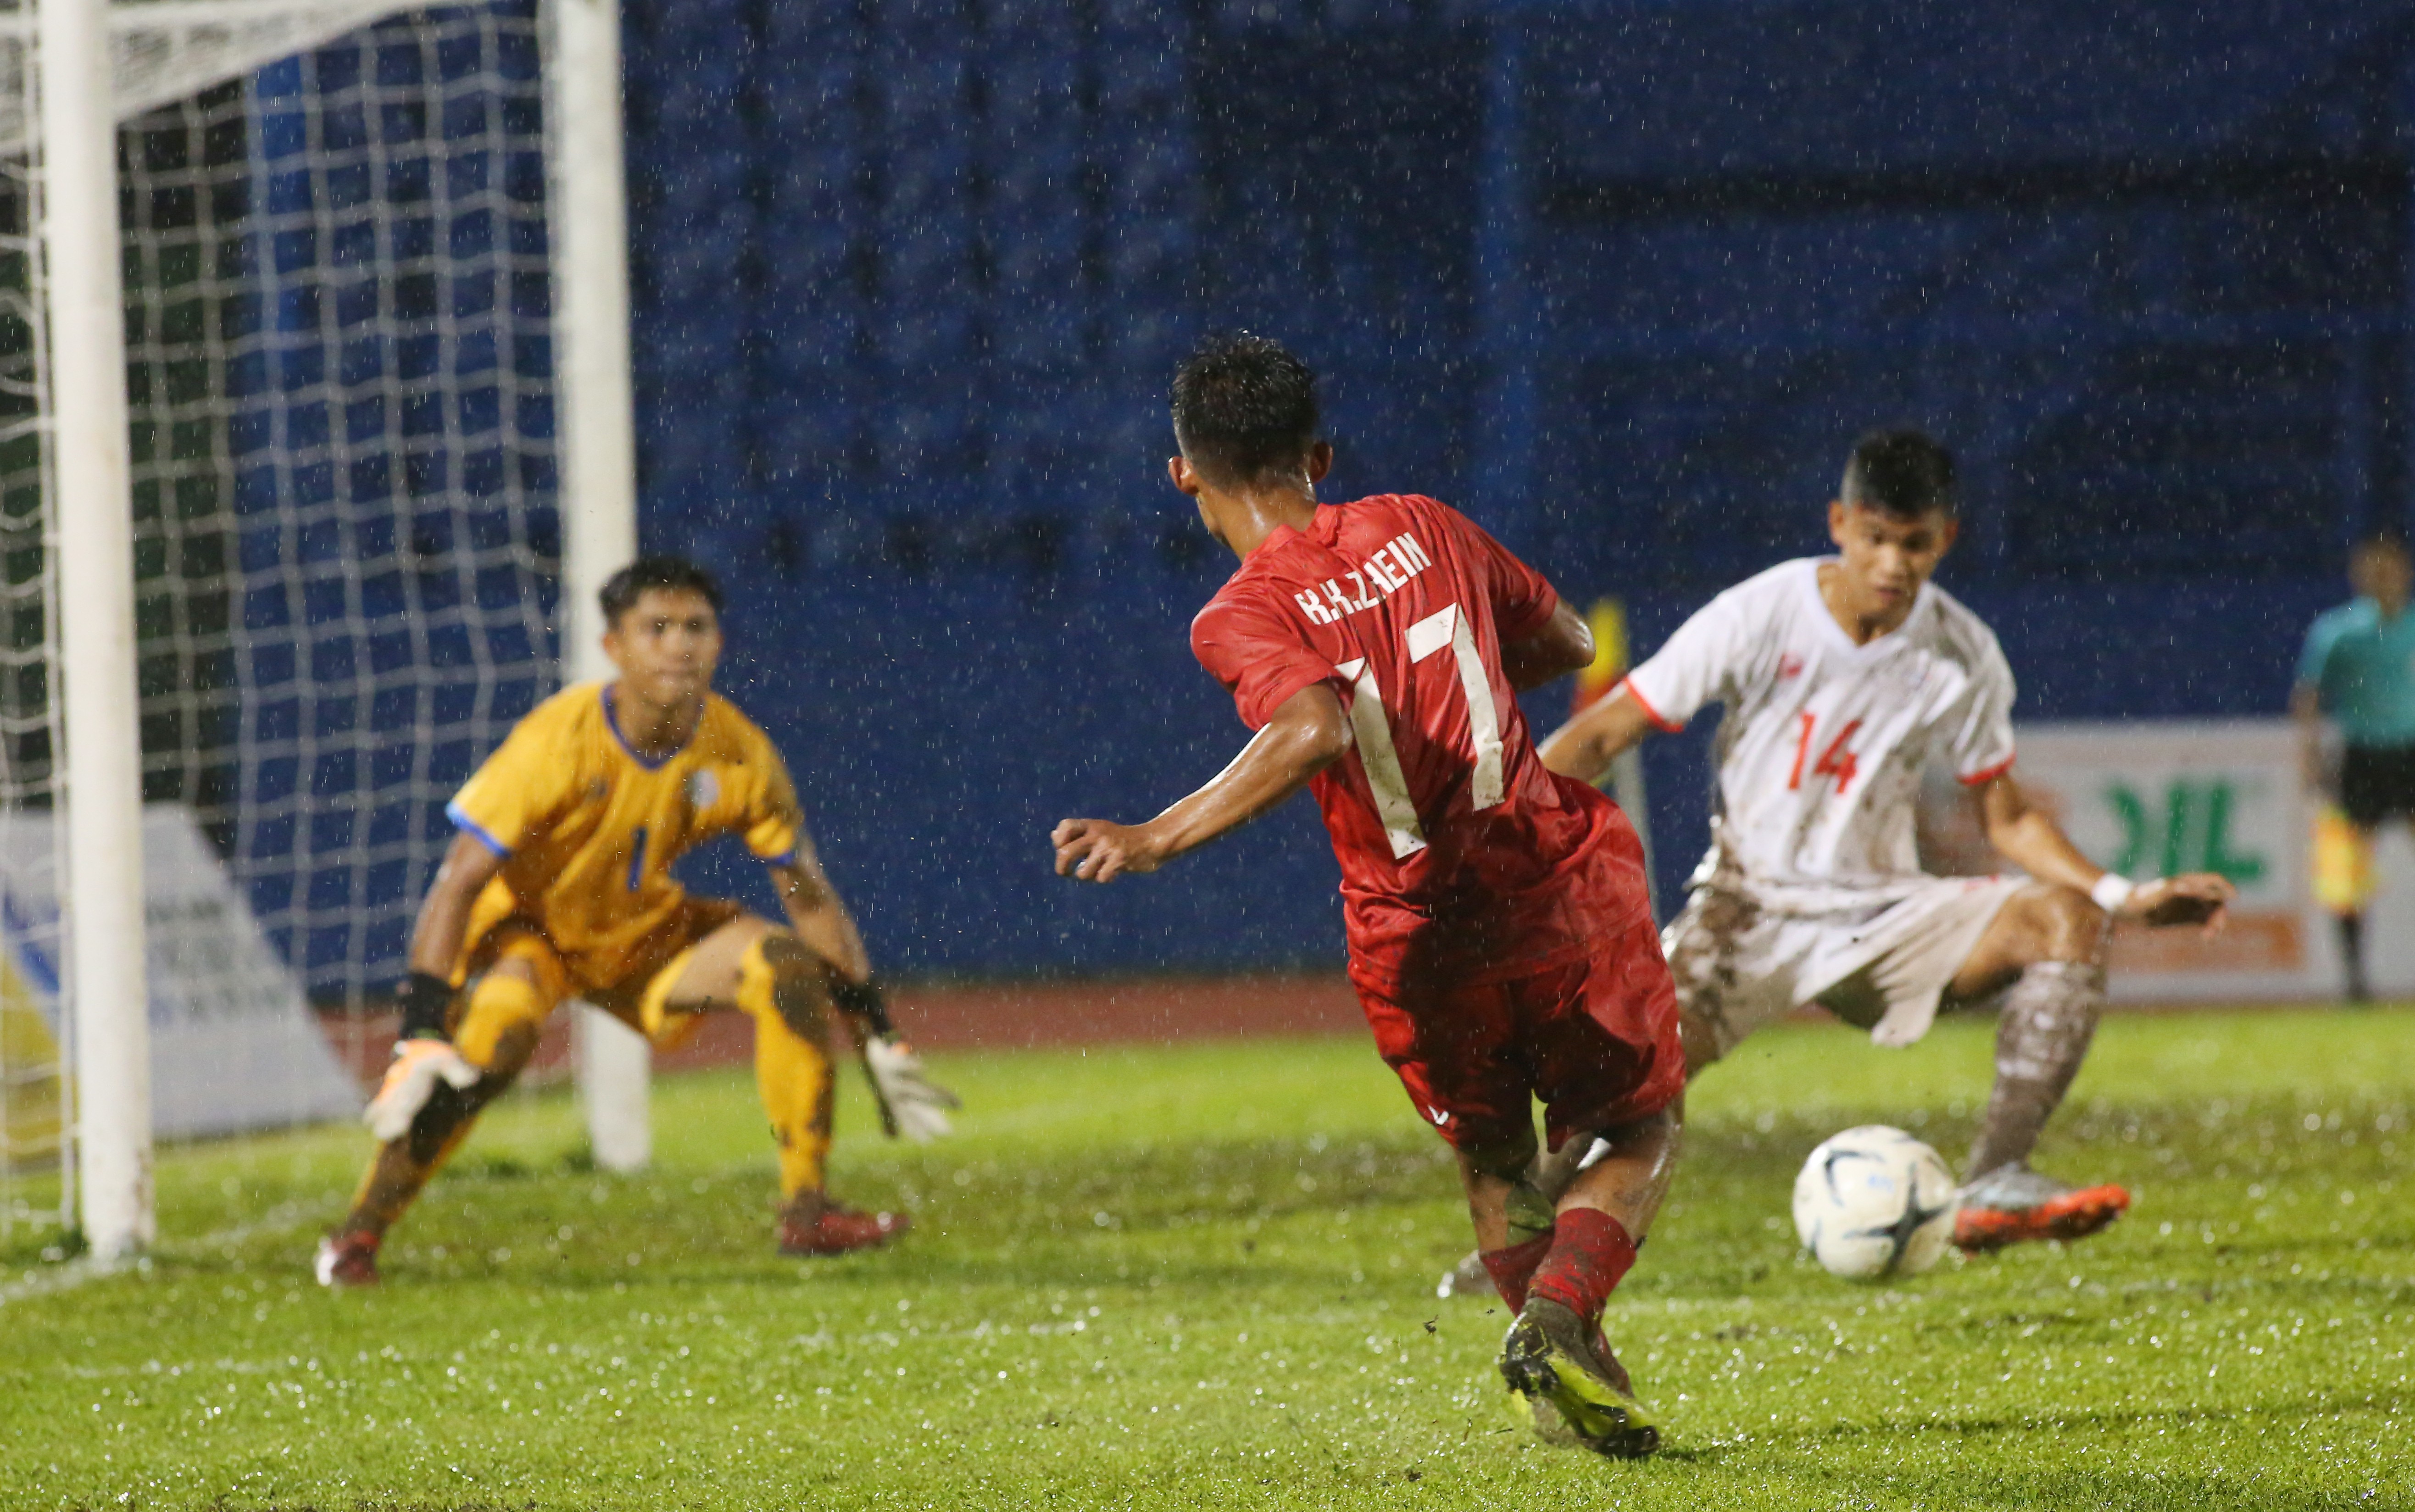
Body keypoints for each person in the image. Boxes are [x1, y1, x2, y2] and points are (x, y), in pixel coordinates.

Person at [1052, 334, 1682, 1458]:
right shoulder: (1425, 523)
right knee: (1637, 1119)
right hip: (1544, 885)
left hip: (1415, 934)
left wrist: (1157, 833)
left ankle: (1563, 1385)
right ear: (1320, 453)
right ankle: (1560, 1313)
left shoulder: (1237, 614)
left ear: (1182, 472)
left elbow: (1311, 722)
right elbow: (1566, 641)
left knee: (1492, 1158)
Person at [1506, 428, 2234, 1258]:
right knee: (1625, 1079)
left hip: (1881, 913)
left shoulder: (1963, 654)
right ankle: (1517, 1240)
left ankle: (1996, 1178)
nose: (1892, 563)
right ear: (1839, 524)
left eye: (1914, 543)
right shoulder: (1761, 611)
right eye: (1876, 539)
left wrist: (2120, 896)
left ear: (1943, 539)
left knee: (2063, 920)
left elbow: (2007, 820)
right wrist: (1499, 827)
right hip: (1745, 910)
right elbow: (1604, 732)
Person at [314, 556, 957, 1287]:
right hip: (536, 937)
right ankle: (358, 1236)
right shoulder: (558, 741)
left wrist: (875, 1028)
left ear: (720, 642)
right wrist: (422, 1030)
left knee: (786, 969)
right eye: (656, 628)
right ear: (613, 647)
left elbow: (808, 897)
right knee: (482, 1057)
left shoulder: (740, 751)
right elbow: (459, 880)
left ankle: (808, 1212)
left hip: (643, 939)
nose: (679, 646)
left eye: (696, 627)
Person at [2293, 532, 2415, 1003]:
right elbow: (2308, 696)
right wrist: (2308, 757)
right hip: (2360, 754)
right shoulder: (2337, 631)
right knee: (2347, 871)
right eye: (2372, 570)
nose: (2382, 578)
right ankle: (2354, 980)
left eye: (2390, 568)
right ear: (2358, 576)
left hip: (2408, 750)